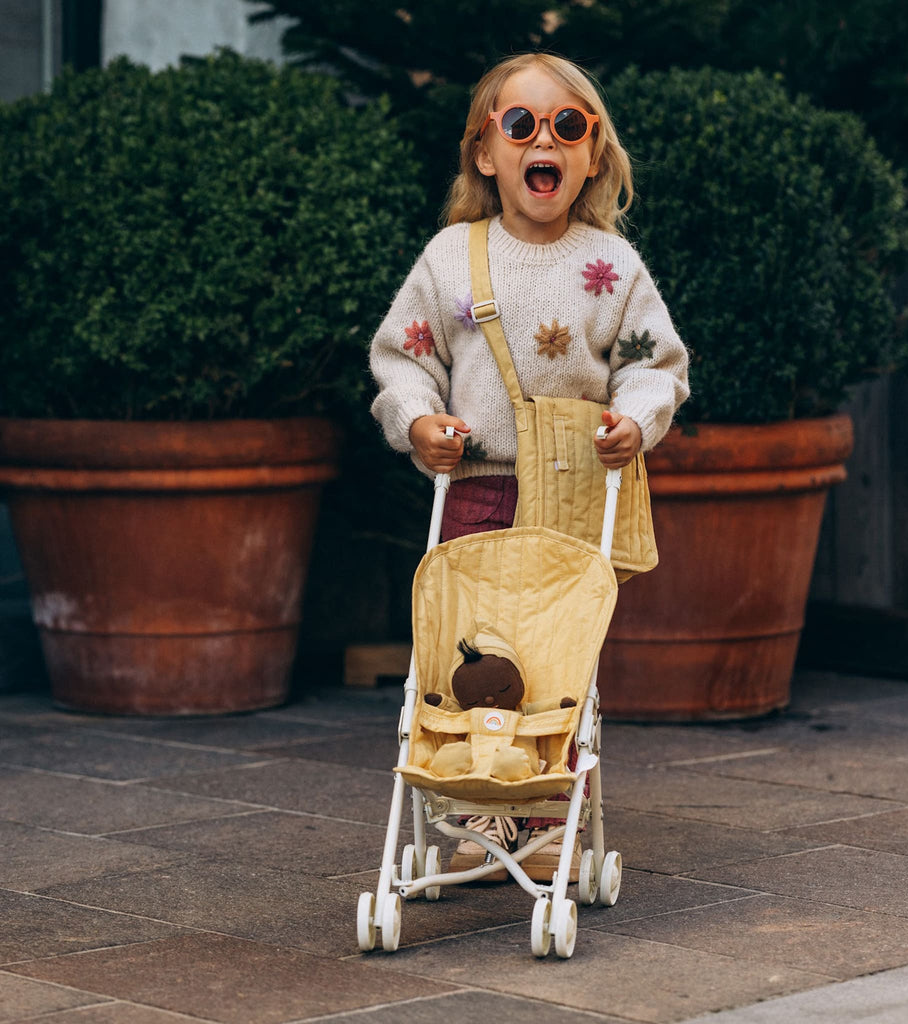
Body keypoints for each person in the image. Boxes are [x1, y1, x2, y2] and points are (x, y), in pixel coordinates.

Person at [370, 52, 690, 880]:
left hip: (577, 494)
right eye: (521, 125)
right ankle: (475, 795)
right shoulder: (451, 258)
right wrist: (419, 421)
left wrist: (637, 419)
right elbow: (404, 360)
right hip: (476, 488)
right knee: (472, 655)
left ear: (590, 155)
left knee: (555, 663)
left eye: (568, 127)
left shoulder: (611, 267)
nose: (543, 140)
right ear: (487, 151)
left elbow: (655, 364)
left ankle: (543, 819)